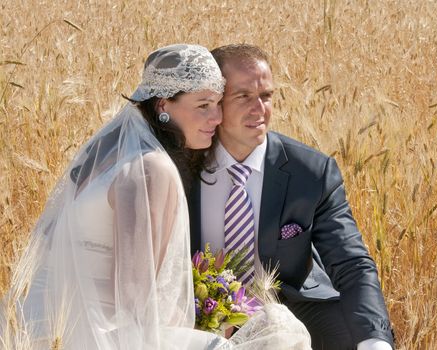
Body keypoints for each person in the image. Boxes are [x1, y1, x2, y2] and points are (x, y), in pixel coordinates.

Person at [1, 44, 310, 349]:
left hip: (47, 323)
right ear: (163, 106)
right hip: (102, 334)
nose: (216, 117)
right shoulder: (150, 169)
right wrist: (198, 323)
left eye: (218, 104)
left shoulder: (108, 156)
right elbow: (135, 295)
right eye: (203, 105)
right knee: (280, 331)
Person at [188, 44, 395, 350]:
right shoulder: (179, 167)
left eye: (266, 96)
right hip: (194, 310)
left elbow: (351, 263)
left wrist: (375, 343)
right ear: (216, 102)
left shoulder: (311, 173)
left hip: (292, 308)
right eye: (243, 96)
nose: (259, 108)